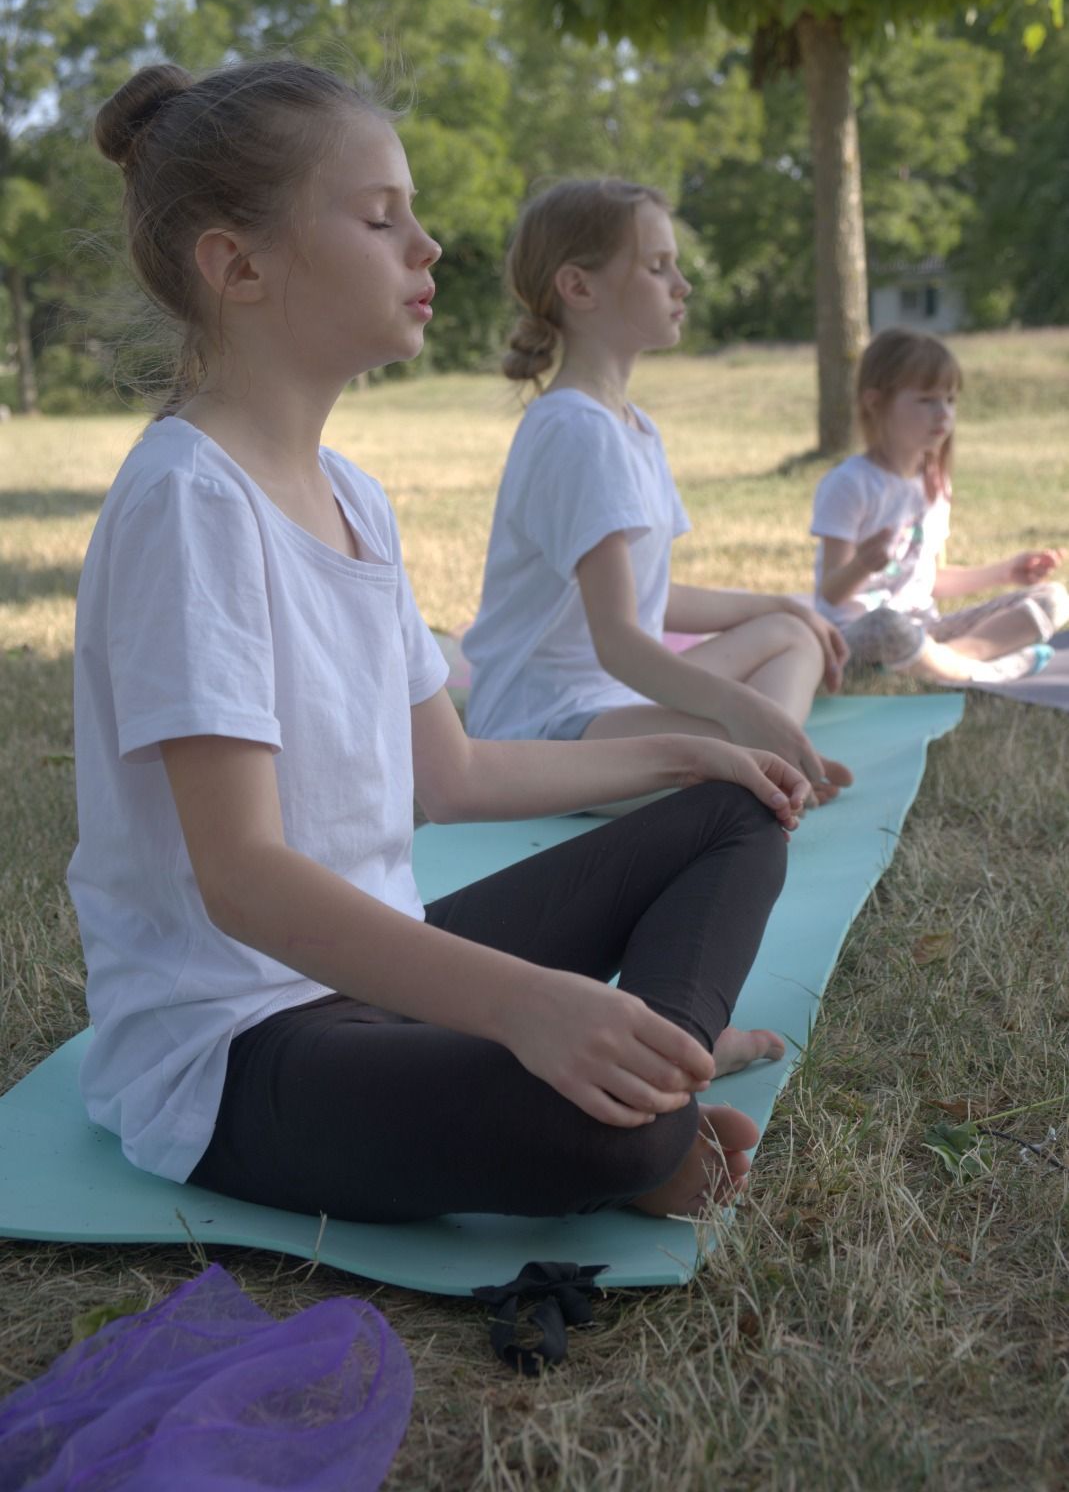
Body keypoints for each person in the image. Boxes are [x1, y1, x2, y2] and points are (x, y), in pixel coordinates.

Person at [69, 59, 810, 1229]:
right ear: (237, 264)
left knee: (736, 813)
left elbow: (452, 773)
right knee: (597, 1122)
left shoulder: (354, 495)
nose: (428, 245)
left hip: (383, 965)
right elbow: (244, 879)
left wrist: (693, 755)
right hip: (241, 1044)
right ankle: (648, 1101)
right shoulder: (187, 501)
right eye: (380, 217)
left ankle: (658, 1064)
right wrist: (527, 1005)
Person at [461, 179, 853, 807]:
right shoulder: (576, 432)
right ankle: (765, 753)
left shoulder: (632, 425)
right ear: (578, 287)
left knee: (792, 633)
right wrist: (745, 708)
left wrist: (775, 604)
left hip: (618, 697)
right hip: (543, 726)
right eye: (657, 266)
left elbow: (650, 597)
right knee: (742, 764)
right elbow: (618, 640)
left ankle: (766, 749)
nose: (682, 285)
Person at [811, 327, 1067, 684]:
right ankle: (980, 671)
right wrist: (861, 565)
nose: (943, 413)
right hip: (856, 637)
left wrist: (1006, 572)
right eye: (927, 400)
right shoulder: (849, 483)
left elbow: (928, 580)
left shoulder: (934, 482)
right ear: (874, 401)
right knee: (889, 626)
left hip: (927, 633)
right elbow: (831, 593)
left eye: (950, 400)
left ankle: (946, 663)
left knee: (1053, 599)